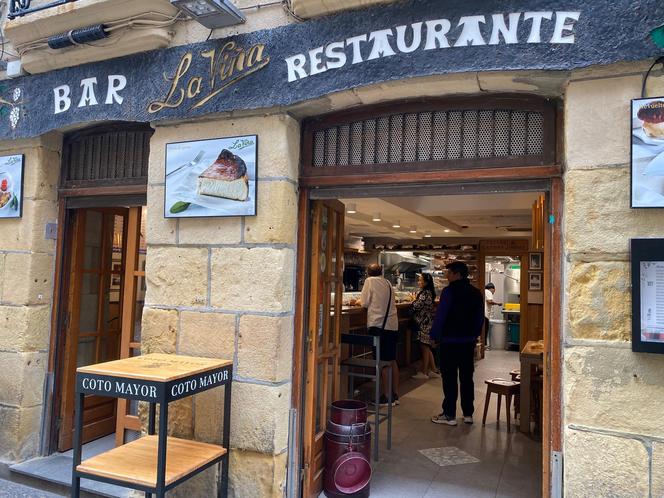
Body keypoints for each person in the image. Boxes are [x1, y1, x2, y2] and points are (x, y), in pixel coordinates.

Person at [429, 261, 484, 426]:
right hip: (467, 342)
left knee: (450, 378)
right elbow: (480, 318)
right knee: (467, 378)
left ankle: (449, 414)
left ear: (457, 274)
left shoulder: (448, 291)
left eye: (449, 272)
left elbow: (441, 316)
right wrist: (474, 336)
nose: (447, 276)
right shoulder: (476, 293)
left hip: (449, 341)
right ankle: (468, 414)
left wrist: (434, 336)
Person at [360, 263, 400, 406]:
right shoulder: (388, 282)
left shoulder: (369, 281)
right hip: (392, 325)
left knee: (382, 361)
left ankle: (386, 397)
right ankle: (395, 394)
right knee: (392, 360)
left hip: (378, 326)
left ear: (367, 272)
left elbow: (364, 303)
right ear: (381, 271)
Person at [410, 273, 440, 380]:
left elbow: (417, 305)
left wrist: (413, 299)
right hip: (427, 322)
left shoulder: (425, 293)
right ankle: (433, 370)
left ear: (425, 282)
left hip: (422, 322)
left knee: (424, 347)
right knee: (427, 346)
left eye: (420, 280)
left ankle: (424, 372)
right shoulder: (430, 292)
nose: (418, 282)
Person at [484, 283, 502, 349]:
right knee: (485, 331)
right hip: (485, 314)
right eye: (494, 290)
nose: (494, 292)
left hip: (482, 314)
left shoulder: (484, 291)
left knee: (484, 330)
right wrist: (498, 304)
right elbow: (489, 301)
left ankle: (484, 345)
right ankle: (484, 346)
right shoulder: (488, 292)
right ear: (492, 288)